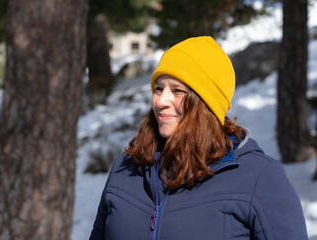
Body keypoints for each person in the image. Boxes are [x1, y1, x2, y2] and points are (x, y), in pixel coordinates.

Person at [89, 36, 308, 240]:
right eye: (158, 88)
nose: (161, 101)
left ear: (206, 105)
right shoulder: (127, 167)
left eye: (178, 91)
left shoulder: (259, 177)